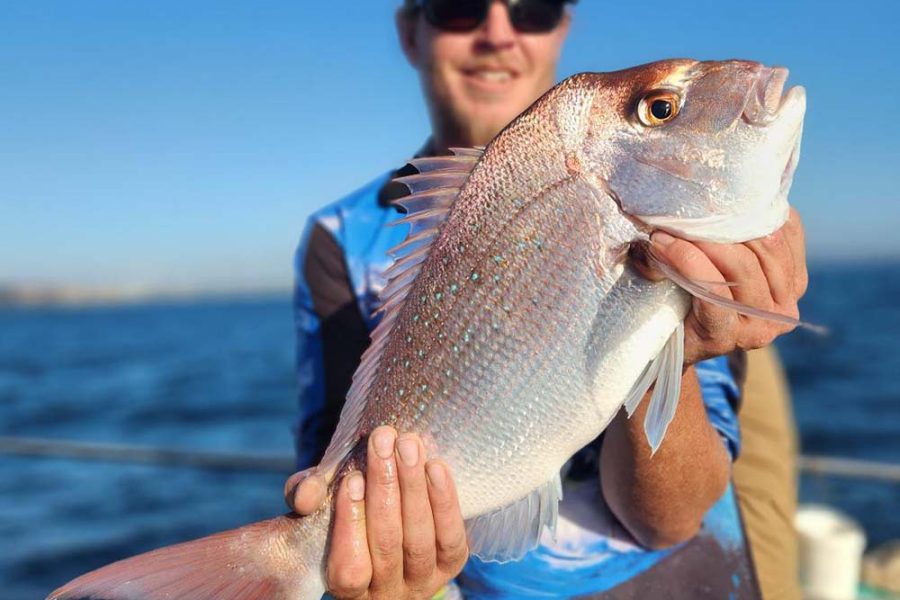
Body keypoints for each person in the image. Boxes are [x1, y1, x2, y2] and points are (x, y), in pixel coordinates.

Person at [284, 1, 808, 598]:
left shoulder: (690, 240)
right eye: (459, 8)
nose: (497, 35)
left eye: (532, 10)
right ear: (409, 31)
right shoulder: (340, 238)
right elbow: (331, 485)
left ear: (562, 27)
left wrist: (681, 355)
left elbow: (668, 520)